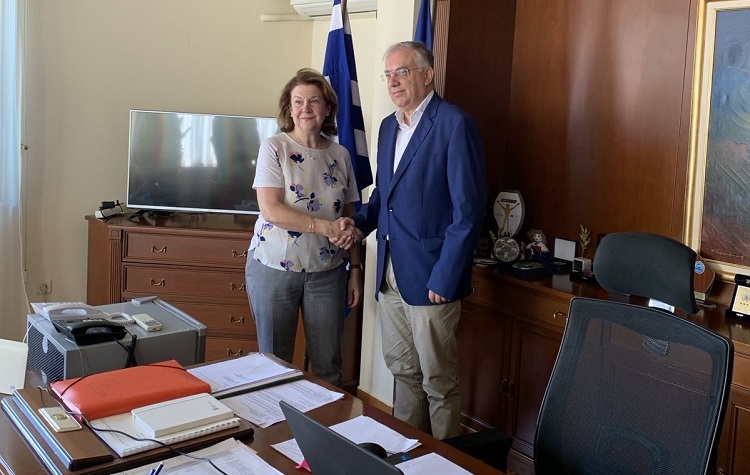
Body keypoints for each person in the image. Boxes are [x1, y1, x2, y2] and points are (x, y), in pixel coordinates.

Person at [340, 41, 487, 439]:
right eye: (388, 75)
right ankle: (408, 454)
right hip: (390, 273)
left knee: (438, 381)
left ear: (427, 74)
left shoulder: (454, 124)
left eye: (402, 72)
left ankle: (446, 460)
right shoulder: (389, 127)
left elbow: (468, 211)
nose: (393, 82)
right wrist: (357, 224)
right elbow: (384, 197)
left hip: (431, 276)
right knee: (403, 372)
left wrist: (446, 275)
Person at [246, 68, 363, 387]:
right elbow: (271, 210)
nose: (305, 108)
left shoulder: (341, 155)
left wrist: (355, 270)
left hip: (328, 273)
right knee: (274, 365)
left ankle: (325, 420)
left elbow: (349, 217)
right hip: (274, 268)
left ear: (327, 108)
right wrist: (326, 227)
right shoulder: (274, 147)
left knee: (329, 366)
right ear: (289, 107)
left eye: (314, 101)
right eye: (298, 101)